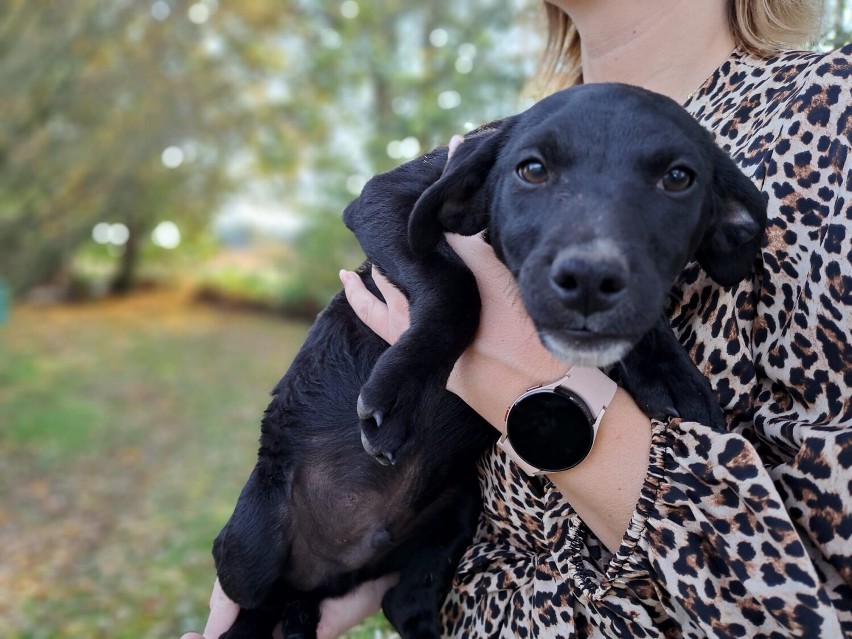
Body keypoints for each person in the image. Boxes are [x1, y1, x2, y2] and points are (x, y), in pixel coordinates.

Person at [183, 0, 852, 636]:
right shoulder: (509, 144)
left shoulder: (831, 113)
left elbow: (811, 599)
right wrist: (355, 574)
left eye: (674, 180)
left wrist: (524, 379)